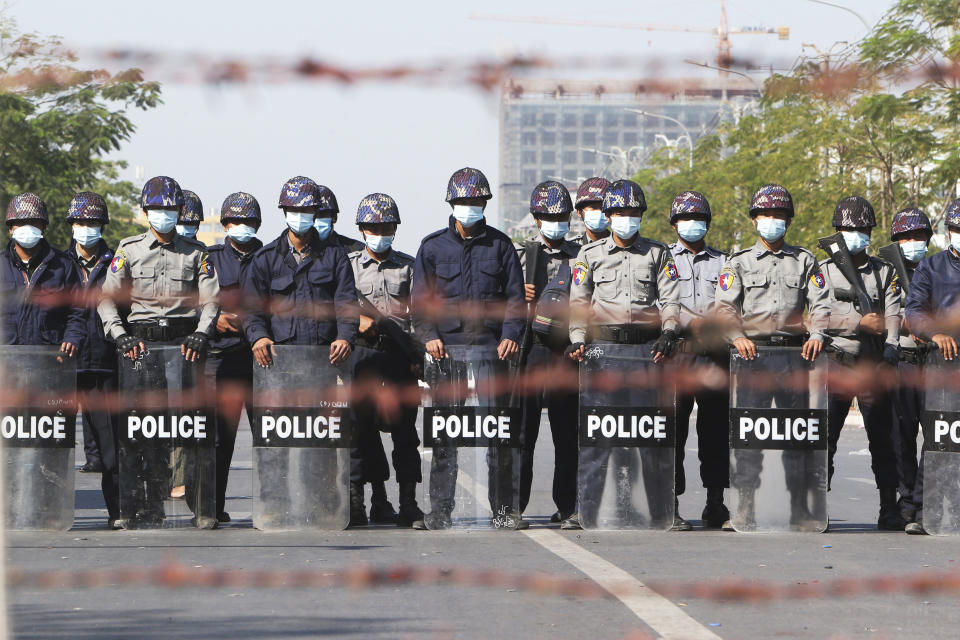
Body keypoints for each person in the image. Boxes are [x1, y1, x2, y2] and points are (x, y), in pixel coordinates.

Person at [98, 175, 220, 528]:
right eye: (156, 209)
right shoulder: (129, 250)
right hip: (141, 348)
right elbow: (107, 299)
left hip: (185, 348)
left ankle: (202, 508)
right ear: (145, 212)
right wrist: (119, 335)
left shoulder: (197, 253)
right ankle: (139, 507)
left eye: (169, 209)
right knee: (141, 428)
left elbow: (212, 300)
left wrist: (201, 333)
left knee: (190, 427)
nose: (163, 215)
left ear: (179, 212)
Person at [410, 167, 525, 529]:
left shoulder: (501, 244)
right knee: (446, 435)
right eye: (463, 201)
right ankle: (440, 511)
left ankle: (504, 511)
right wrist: (428, 335)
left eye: (476, 201)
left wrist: (510, 334)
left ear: (485, 204)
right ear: (452, 203)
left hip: (493, 351)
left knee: (499, 435)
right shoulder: (432, 247)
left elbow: (516, 300)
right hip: (448, 353)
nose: (469, 207)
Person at [242, 176, 359, 526]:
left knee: (323, 441)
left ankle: (324, 508)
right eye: (295, 210)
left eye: (308, 210)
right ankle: (275, 507)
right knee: (277, 441)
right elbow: (251, 310)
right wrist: (258, 337)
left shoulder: (335, 257)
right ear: (285, 212)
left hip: (324, 363)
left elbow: (347, 305)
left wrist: (346, 337)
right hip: (279, 368)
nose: (302, 216)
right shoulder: (265, 259)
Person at [565, 179, 681, 530]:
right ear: (609, 215)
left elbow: (672, 299)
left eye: (633, 213)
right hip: (603, 353)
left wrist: (669, 333)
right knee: (599, 437)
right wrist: (576, 339)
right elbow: (578, 304)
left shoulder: (658, 254)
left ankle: (664, 511)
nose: (627, 219)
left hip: (647, 353)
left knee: (651, 435)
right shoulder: (589, 255)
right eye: (620, 213)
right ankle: (585, 510)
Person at [714, 184, 829, 531]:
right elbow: (724, 307)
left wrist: (818, 333)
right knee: (750, 437)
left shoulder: (806, 260)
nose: (772, 221)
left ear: (789, 221)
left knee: (797, 437)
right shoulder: (738, 263)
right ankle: (744, 508)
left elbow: (822, 303)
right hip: (753, 358)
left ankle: (799, 509)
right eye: (765, 215)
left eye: (779, 216)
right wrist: (736, 337)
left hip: (794, 357)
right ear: (754, 221)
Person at [820, 196, 904, 530]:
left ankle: (889, 507)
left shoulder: (885, 271)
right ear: (838, 232)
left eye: (862, 228)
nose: (856, 233)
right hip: (837, 362)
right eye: (849, 228)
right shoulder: (823, 270)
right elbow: (817, 315)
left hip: (873, 364)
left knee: (883, 440)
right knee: (825, 439)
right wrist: (857, 323)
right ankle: (817, 506)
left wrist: (890, 351)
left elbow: (895, 312)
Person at [347, 193, 424, 527]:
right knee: (360, 432)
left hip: (399, 356)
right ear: (363, 229)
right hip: (362, 356)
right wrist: (356, 320)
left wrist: (418, 356)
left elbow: (420, 315)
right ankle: (365, 501)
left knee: (405, 433)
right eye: (375, 227)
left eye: (387, 226)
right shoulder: (347, 266)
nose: (381, 232)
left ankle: (408, 502)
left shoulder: (409, 266)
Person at [512, 180, 580, 524]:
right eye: (550, 216)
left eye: (562, 216)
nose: (557, 221)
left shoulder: (581, 255)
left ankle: (568, 506)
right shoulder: (520, 254)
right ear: (537, 218)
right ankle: (513, 507)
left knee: (567, 434)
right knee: (522, 434)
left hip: (566, 352)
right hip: (531, 350)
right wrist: (518, 297)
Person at [667, 191, 730, 529]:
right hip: (678, 354)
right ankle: (671, 502)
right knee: (673, 432)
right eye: (686, 218)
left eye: (699, 218)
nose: (693, 224)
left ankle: (715, 501)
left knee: (716, 431)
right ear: (675, 223)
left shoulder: (724, 261)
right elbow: (659, 303)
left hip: (714, 356)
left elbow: (732, 301)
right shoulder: (663, 260)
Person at [205, 191, 264, 524]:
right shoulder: (210, 258)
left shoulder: (270, 256)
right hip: (223, 358)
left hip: (261, 362)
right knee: (219, 440)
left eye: (249, 222)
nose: (243, 227)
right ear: (225, 224)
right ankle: (212, 508)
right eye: (237, 221)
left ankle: (272, 507)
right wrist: (216, 321)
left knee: (268, 438)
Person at [66, 192, 123, 528]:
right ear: (71, 225)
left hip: (103, 363)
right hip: (63, 364)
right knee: (48, 441)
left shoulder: (118, 264)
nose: (85, 228)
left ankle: (117, 511)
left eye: (92, 222)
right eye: (80, 222)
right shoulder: (58, 264)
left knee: (111, 446)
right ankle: (43, 510)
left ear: (102, 225)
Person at [904, 198, 960, 534]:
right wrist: (935, 333)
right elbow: (914, 311)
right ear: (948, 232)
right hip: (943, 364)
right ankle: (927, 513)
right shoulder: (931, 267)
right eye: (956, 229)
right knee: (941, 438)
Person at [883, 208, 933, 533]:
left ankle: (923, 501)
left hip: (933, 361)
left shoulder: (938, 269)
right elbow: (875, 312)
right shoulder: (887, 272)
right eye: (906, 238)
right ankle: (905, 503)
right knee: (901, 436)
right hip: (902, 359)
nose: (912, 243)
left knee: (934, 434)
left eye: (918, 237)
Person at [571, 177, 611, 244]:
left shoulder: (623, 247)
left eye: (604, 207)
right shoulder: (572, 250)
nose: (599, 212)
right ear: (579, 211)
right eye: (593, 207)